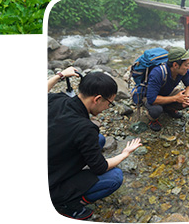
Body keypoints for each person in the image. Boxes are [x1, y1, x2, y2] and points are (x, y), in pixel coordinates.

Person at [48, 67, 142, 220]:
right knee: (115, 177)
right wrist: (125, 153)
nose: (107, 108)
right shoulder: (85, 128)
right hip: (51, 185)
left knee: (100, 140)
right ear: (97, 99)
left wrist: (60, 75)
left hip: (50, 163)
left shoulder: (58, 99)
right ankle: (68, 204)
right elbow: (101, 168)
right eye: (109, 103)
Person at [144, 47, 189, 132]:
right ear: (175, 65)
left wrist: (186, 97)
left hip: (167, 93)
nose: (188, 67)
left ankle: (169, 109)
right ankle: (153, 119)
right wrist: (176, 98)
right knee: (156, 110)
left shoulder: (183, 70)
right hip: (150, 96)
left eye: (188, 64)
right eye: (186, 65)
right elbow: (152, 99)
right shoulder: (157, 73)